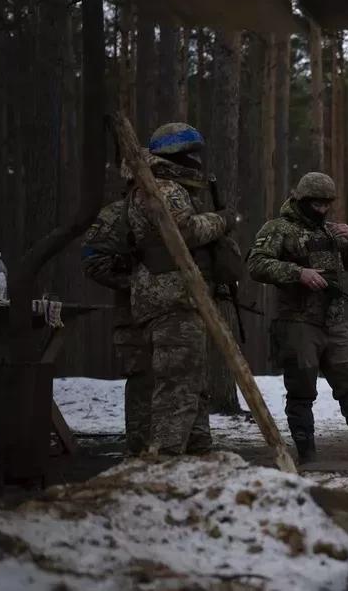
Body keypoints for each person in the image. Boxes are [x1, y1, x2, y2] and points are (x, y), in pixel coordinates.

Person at [247, 172, 348, 463]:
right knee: (301, 388)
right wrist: (299, 273)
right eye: (315, 204)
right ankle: (307, 453)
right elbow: (256, 264)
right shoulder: (278, 228)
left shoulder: (331, 232)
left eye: (326, 204)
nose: (321, 210)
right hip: (297, 320)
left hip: (334, 321)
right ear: (302, 200)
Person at [128, 122, 236, 455]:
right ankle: (166, 458)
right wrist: (222, 221)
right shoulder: (166, 189)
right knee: (178, 385)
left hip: (167, 296)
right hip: (175, 296)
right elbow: (183, 232)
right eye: (192, 154)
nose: (198, 162)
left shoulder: (148, 187)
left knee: (189, 381)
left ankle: (195, 449)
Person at [81, 168, 150, 455]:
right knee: (142, 383)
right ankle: (140, 452)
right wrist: (137, 283)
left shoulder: (172, 211)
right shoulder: (115, 216)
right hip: (134, 316)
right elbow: (93, 260)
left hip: (174, 317)